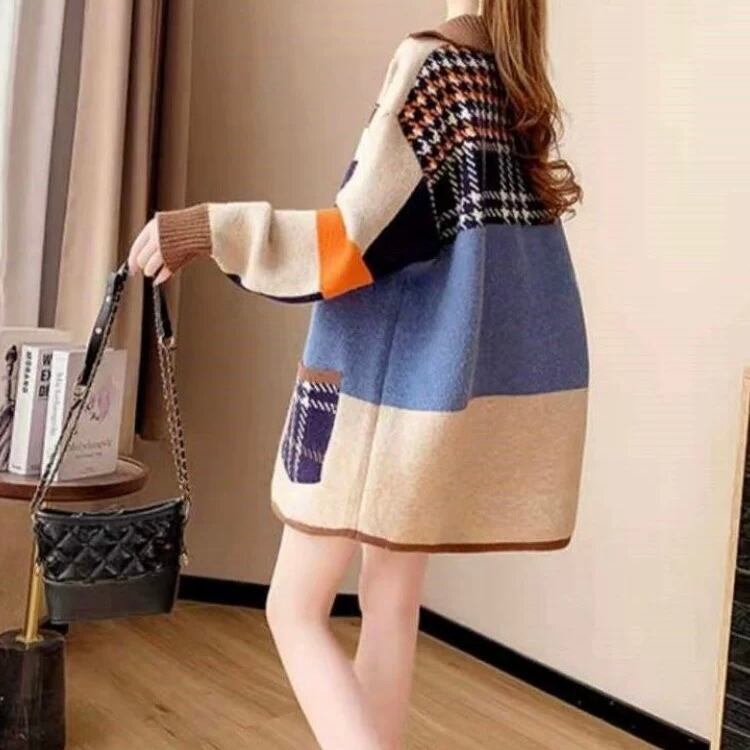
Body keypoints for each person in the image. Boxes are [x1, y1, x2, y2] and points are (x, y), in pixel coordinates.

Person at [129, 1, 588, 747]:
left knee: (292, 608)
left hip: (377, 405)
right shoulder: (511, 80)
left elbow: (350, 242)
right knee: (390, 603)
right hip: (439, 403)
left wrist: (209, 228)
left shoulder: (433, 65)